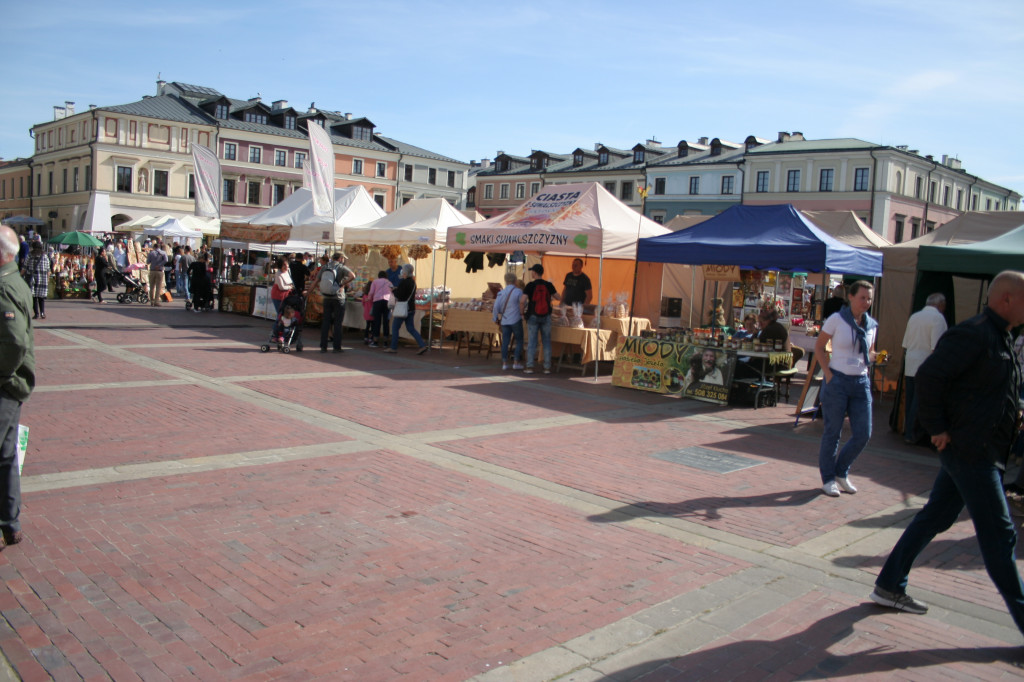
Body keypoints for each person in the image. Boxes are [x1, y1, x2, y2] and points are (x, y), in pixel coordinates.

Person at [871, 271, 1024, 631]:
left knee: (935, 517)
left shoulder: (1001, 336)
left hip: (979, 449)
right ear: (1006, 298)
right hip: (973, 452)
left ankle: (890, 584)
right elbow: (929, 376)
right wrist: (936, 427)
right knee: (1000, 535)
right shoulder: (975, 333)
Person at [815, 280, 877, 497]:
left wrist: (875, 358)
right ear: (850, 297)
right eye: (862, 297)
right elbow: (819, 347)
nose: (866, 302)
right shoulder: (837, 320)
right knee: (833, 432)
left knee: (863, 433)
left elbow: (869, 351)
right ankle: (829, 478)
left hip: (861, 382)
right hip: (838, 381)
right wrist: (829, 375)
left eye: (869, 298)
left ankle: (841, 471)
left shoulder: (871, 325)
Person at [0, 225, 35, 549]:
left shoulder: (4, 286)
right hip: (13, 382)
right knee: (7, 456)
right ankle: (10, 523)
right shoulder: (16, 281)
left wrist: (4, 376)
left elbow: (14, 341)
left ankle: (7, 525)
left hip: (5, 384)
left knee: (4, 454)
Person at [901, 293, 947, 445]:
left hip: (911, 363)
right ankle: (913, 433)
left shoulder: (914, 316)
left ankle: (908, 431)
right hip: (926, 366)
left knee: (911, 400)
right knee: (919, 401)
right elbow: (937, 347)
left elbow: (906, 343)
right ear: (940, 305)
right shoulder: (938, 319)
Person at [520, 263, 560, 374]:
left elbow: (522, 301)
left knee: (532, 342)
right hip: (546, 316)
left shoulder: (530, 285)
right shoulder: (548, 285)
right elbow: (558, 297)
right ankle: (547, 367)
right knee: (546, 342)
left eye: (532, 271)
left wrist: (522, 314)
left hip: (533, 316)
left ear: (535, 272)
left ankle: (529, 367)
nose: (531, 273)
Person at [315, 252, 354, 353]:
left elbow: (316, 281)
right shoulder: (341, 267)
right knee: (338, 323)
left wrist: (308, 292)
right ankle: (337, 347)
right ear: (340, 258)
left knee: (326, 322)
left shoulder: (325, 267)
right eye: (343, 258)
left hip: (327, 297)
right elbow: (352, 275)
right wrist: (342, 284)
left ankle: (323, 346)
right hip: (338, 298)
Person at [385, 264, 428, 355]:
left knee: (395, 327)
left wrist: (394, 290)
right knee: (411, 328)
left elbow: (399, 295)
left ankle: (393, 347)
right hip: (411, 307)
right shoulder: (413, 283)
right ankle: (422, 344)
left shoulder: (403, 282)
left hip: (403, 308)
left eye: (403, 271)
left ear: (405, 272)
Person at [493, 271, 525, 371]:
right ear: (515, 281)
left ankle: (504, 363)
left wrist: (495, 318)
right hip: (516, 319)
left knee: (505, 342)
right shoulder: (518, 292)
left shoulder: (500, 293)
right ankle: (516, 362)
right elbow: (523, 303)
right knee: (519, 340)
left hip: (505, 320)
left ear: (506, 281)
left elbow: (496, 307)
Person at [23, 242, 49, 320]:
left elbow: (24, 267)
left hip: (32, 279)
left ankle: (36, 314)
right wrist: (47, 279)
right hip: (43, 279)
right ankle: (42, 313)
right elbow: (48, 269)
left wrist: (20, 275)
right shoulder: (45, 256)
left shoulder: (30, 255)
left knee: (34, 297)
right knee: (41, 298)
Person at [367, 270, 392, 347]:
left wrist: (369, 298)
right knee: (386, 322)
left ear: (379, 276)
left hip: (377, 301)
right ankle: (385, 342)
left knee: (376, 321)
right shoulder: (389, 282)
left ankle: (375, 341)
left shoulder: (375, 282)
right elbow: (392, 292)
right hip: (387, 302)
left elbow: (371, 292)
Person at [146, 239, 167, 306]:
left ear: (154, 247)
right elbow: (166, 260)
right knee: (158, 287)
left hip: (152, 270)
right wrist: (160, 264)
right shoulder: (163, 253)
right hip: (160, 270)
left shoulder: (151, 253)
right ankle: (156, 301)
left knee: (152, 286)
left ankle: (151, 301)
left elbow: (148, 262)